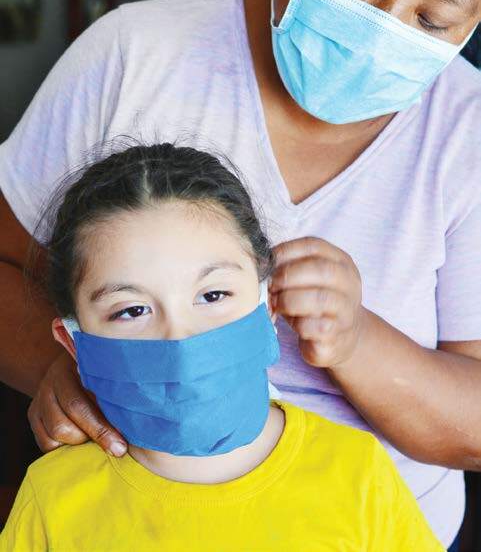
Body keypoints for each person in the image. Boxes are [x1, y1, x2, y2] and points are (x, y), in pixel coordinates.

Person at [0, 0, 480, 551]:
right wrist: (59, 373)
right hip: (132, 515)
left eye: (434, 21)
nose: (383, 31)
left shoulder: (466, 135)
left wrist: (354, 340)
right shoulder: (134, 56)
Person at [0, 141, 443, 551]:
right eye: (131, 311)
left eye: (212, 296)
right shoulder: (52, 500)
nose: (181, 337)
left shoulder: (357, 472)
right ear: (74, 343)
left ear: (269, 302)